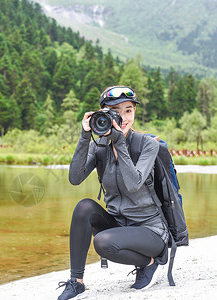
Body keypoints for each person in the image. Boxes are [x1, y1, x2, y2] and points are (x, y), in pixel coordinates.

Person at [57, 86, 169, 300]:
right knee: (84, 207)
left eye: (129, 110)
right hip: (119, 224)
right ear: (103, 115)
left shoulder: (148, 144)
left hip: (150, 230)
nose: (124, 117)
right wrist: (84, 136)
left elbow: (134, 183)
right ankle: (76, 282)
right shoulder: (99, 145)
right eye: (116, 111)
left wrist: (119, 143)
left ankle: (151, 263)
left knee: (103, 242)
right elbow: (75, 178)